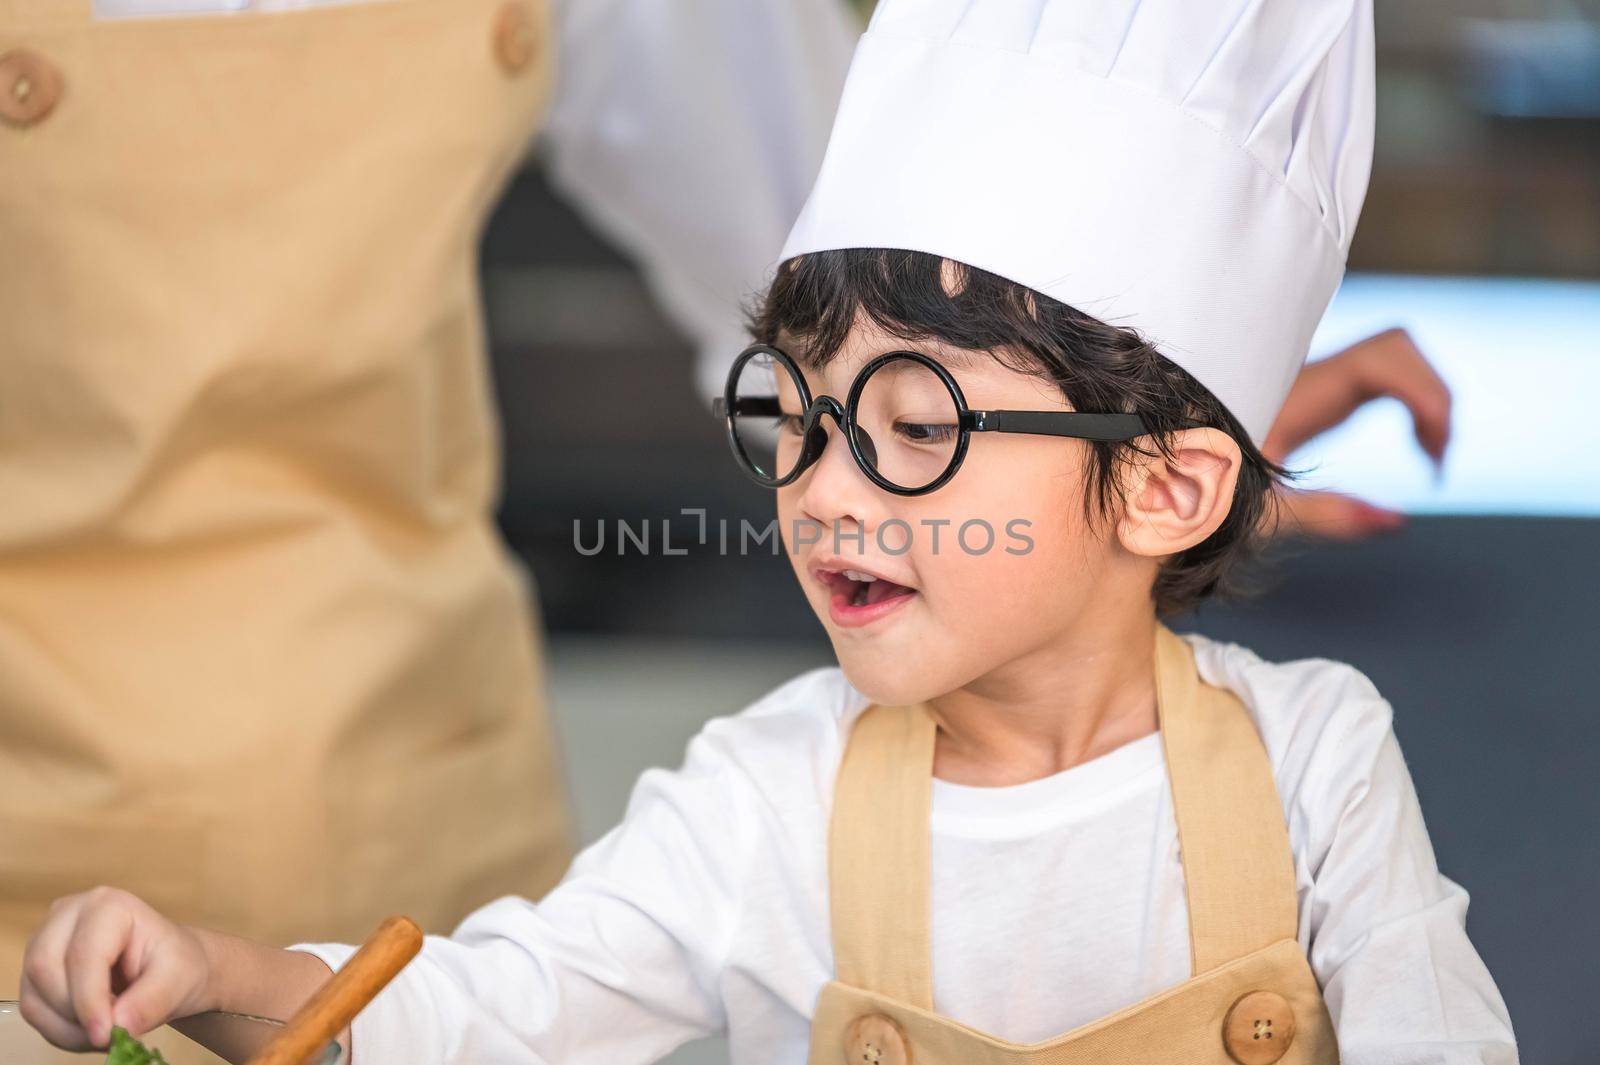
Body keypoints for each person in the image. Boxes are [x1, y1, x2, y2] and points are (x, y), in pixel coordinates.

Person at [19, 0, 1519, 1062]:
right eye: (795, 416)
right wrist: (216, 970)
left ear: (1167, 486)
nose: (825, 489)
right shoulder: (765, 799)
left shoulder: (1316, 762)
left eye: (919, 430)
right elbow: (485, 1016)